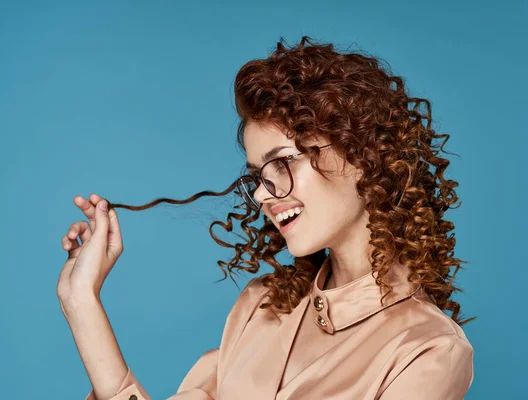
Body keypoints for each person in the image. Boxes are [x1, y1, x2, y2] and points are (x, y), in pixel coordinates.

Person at [58, 36, 475, 400]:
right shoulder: (261, 307)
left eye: (282, 163)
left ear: (362, 155)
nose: (261, 193)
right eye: (258, 174)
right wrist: (82, 303)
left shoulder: (428, 350)